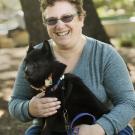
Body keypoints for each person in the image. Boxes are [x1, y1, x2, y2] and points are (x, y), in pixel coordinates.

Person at [8, 0, 135, 135]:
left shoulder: (105, 54)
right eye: (51, 20)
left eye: (67, 17)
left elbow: (129, 102)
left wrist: (98, 129)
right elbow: (15, 103)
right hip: (50, 128)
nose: (60, 25)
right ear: (46, 24)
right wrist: (29, 108)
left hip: (101, 126)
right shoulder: (33, 56)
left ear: (81, 19)